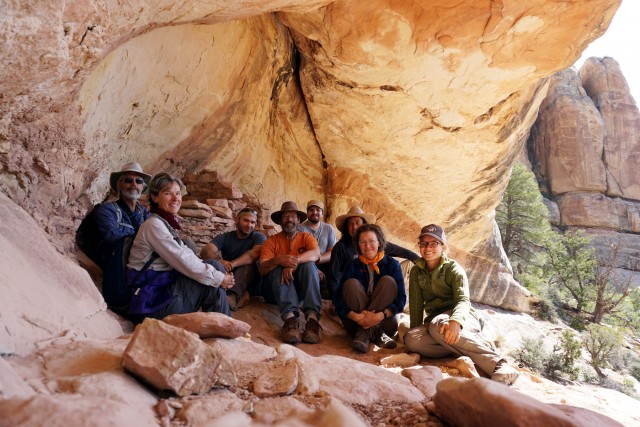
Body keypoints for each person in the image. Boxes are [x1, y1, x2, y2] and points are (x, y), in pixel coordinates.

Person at [404, 224, 520, 385]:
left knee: (438, 325)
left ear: (443, 246)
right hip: (436, 325)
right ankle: (468, 349)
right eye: (423, 243)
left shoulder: (453, 269)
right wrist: (414, 331)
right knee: (412, 340)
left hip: (462, 317)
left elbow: (463, 300)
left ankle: (499, 365)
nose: (427, 248)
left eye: (433, 243)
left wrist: (456, 321)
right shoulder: (417, 271)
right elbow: (416, 305)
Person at [126, 173, 235, 323]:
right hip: (148, 304)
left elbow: (188, 255)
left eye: (178, 193)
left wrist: (218, 275)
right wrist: (220, 278)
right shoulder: (154, 225)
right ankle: (226, 327)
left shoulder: (165, 223)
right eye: (168, 193)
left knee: (214, 267)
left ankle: (225, 325)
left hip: (159, 292)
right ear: (155, 197)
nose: (175, 198)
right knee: (211, 282)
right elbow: (181, 259)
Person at [335, 224, 406, 353]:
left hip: (385, 321)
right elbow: (338, 298)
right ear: (358, 245)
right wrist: (356, 317)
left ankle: (366, 333)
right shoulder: (352, 265)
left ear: (379, 242)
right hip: (357, 322)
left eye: (371, 241)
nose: (367, 246)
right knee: (351, 284)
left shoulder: (392, 264)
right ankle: (372, 332)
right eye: (362, 242)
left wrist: (378, 316)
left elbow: (402, 299)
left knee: (388, 281)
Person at [259, 201, 322, 345]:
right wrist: (278, 260)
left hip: (297, 291)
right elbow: (262, 268)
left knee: (309, 265)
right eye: (286, 216)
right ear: (280, 221)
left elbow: (316, 253)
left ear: (298, 220)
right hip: (274, 292)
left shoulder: (306, 237)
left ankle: (312, 320)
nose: (289, 219)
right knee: (277, 266)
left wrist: (293, 262)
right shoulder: (271, 241)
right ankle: (290, 320)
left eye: (293, 216)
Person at [328, 206, 420, 302]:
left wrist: (422, 262)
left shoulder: (375, 243)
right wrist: (336, 301)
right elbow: (333, 278)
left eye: (357, 223)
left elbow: (402, 252)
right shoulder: (340, 247)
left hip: (377, 284)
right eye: (350, 224)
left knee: (408, 264)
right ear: (346, 228)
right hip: (356, 291)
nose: (354, 227)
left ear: (364, 225)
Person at [93, 162, 151, 312]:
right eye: (128, 180)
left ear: (142, 187)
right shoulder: (108, 210)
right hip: (120, 269)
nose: (134, 184)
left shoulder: (144, 213)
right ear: (119, 185)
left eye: (138, 181)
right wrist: (145, 238)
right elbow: (111, 236)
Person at [200, 207, 267, 311]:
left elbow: (254, 254)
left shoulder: (258, 237)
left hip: (250, 280)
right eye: (246, 220)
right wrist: (219, 260)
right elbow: (206, 250)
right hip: (229, 277)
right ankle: (240, 297)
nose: (249, 225)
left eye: (253, 222)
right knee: (212, 263)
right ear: (237, 220)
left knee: (249, 266)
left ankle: (232, 297)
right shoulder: (225, 237)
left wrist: (232, 264)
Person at [298, 199, 337, 299]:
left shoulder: (328, 229)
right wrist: (314, 268)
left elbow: (331, 251)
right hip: (306, 262)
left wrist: (318, 260)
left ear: (322, 213)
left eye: (318, 210)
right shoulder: (300, 228)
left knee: (336, 263)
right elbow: (300, 253)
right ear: (307, 212)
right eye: (311, 210)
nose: (314, 212)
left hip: (322, 261)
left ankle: (332, 293)